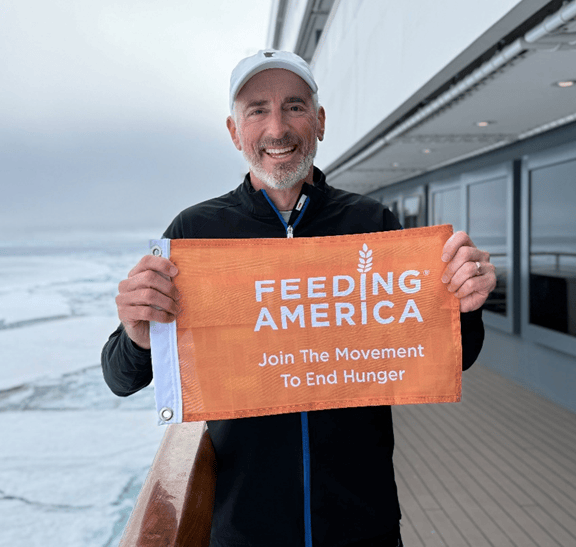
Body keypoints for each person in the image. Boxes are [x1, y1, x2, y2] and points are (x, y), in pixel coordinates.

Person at [102, 50, 496, 547]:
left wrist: (466, 305)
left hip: (363, 522)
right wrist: (138, 334)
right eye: (256, 110)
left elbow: (450, 355)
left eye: (294, 106)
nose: (277, 128)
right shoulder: (196, 233)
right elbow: (119, 378)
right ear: (233, 131)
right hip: (246, 528)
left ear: (320, 121)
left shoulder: (371, 223)